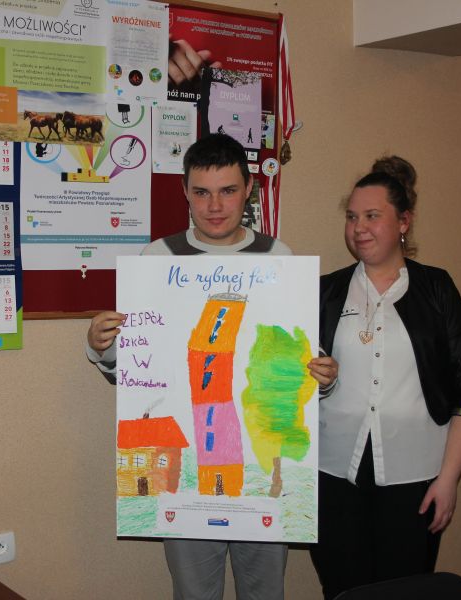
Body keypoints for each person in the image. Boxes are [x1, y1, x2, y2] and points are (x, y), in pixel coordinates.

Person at [86, 133, 338, 600]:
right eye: (201, 192)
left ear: (249, 190)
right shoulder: (157, 258)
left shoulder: (278, 258)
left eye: (228, 191)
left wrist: (320, 375)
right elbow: (138, 371)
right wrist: (102, 346)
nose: (215, 206)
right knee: (194, 593)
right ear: (185, 191)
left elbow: (295, 354)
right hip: (189, 480)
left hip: (257, 462)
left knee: (264, 593)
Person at [309, 156, 461, 599]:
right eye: (352, 217)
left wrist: (448, 480)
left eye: (372, 216)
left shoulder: (436, 289)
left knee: (404, 590)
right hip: (333, 478)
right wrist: (319, 381)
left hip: (416, 480)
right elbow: (293, 383)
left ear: (403, 222)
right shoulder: (325, 292)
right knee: (344, 591)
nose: (359, 228)